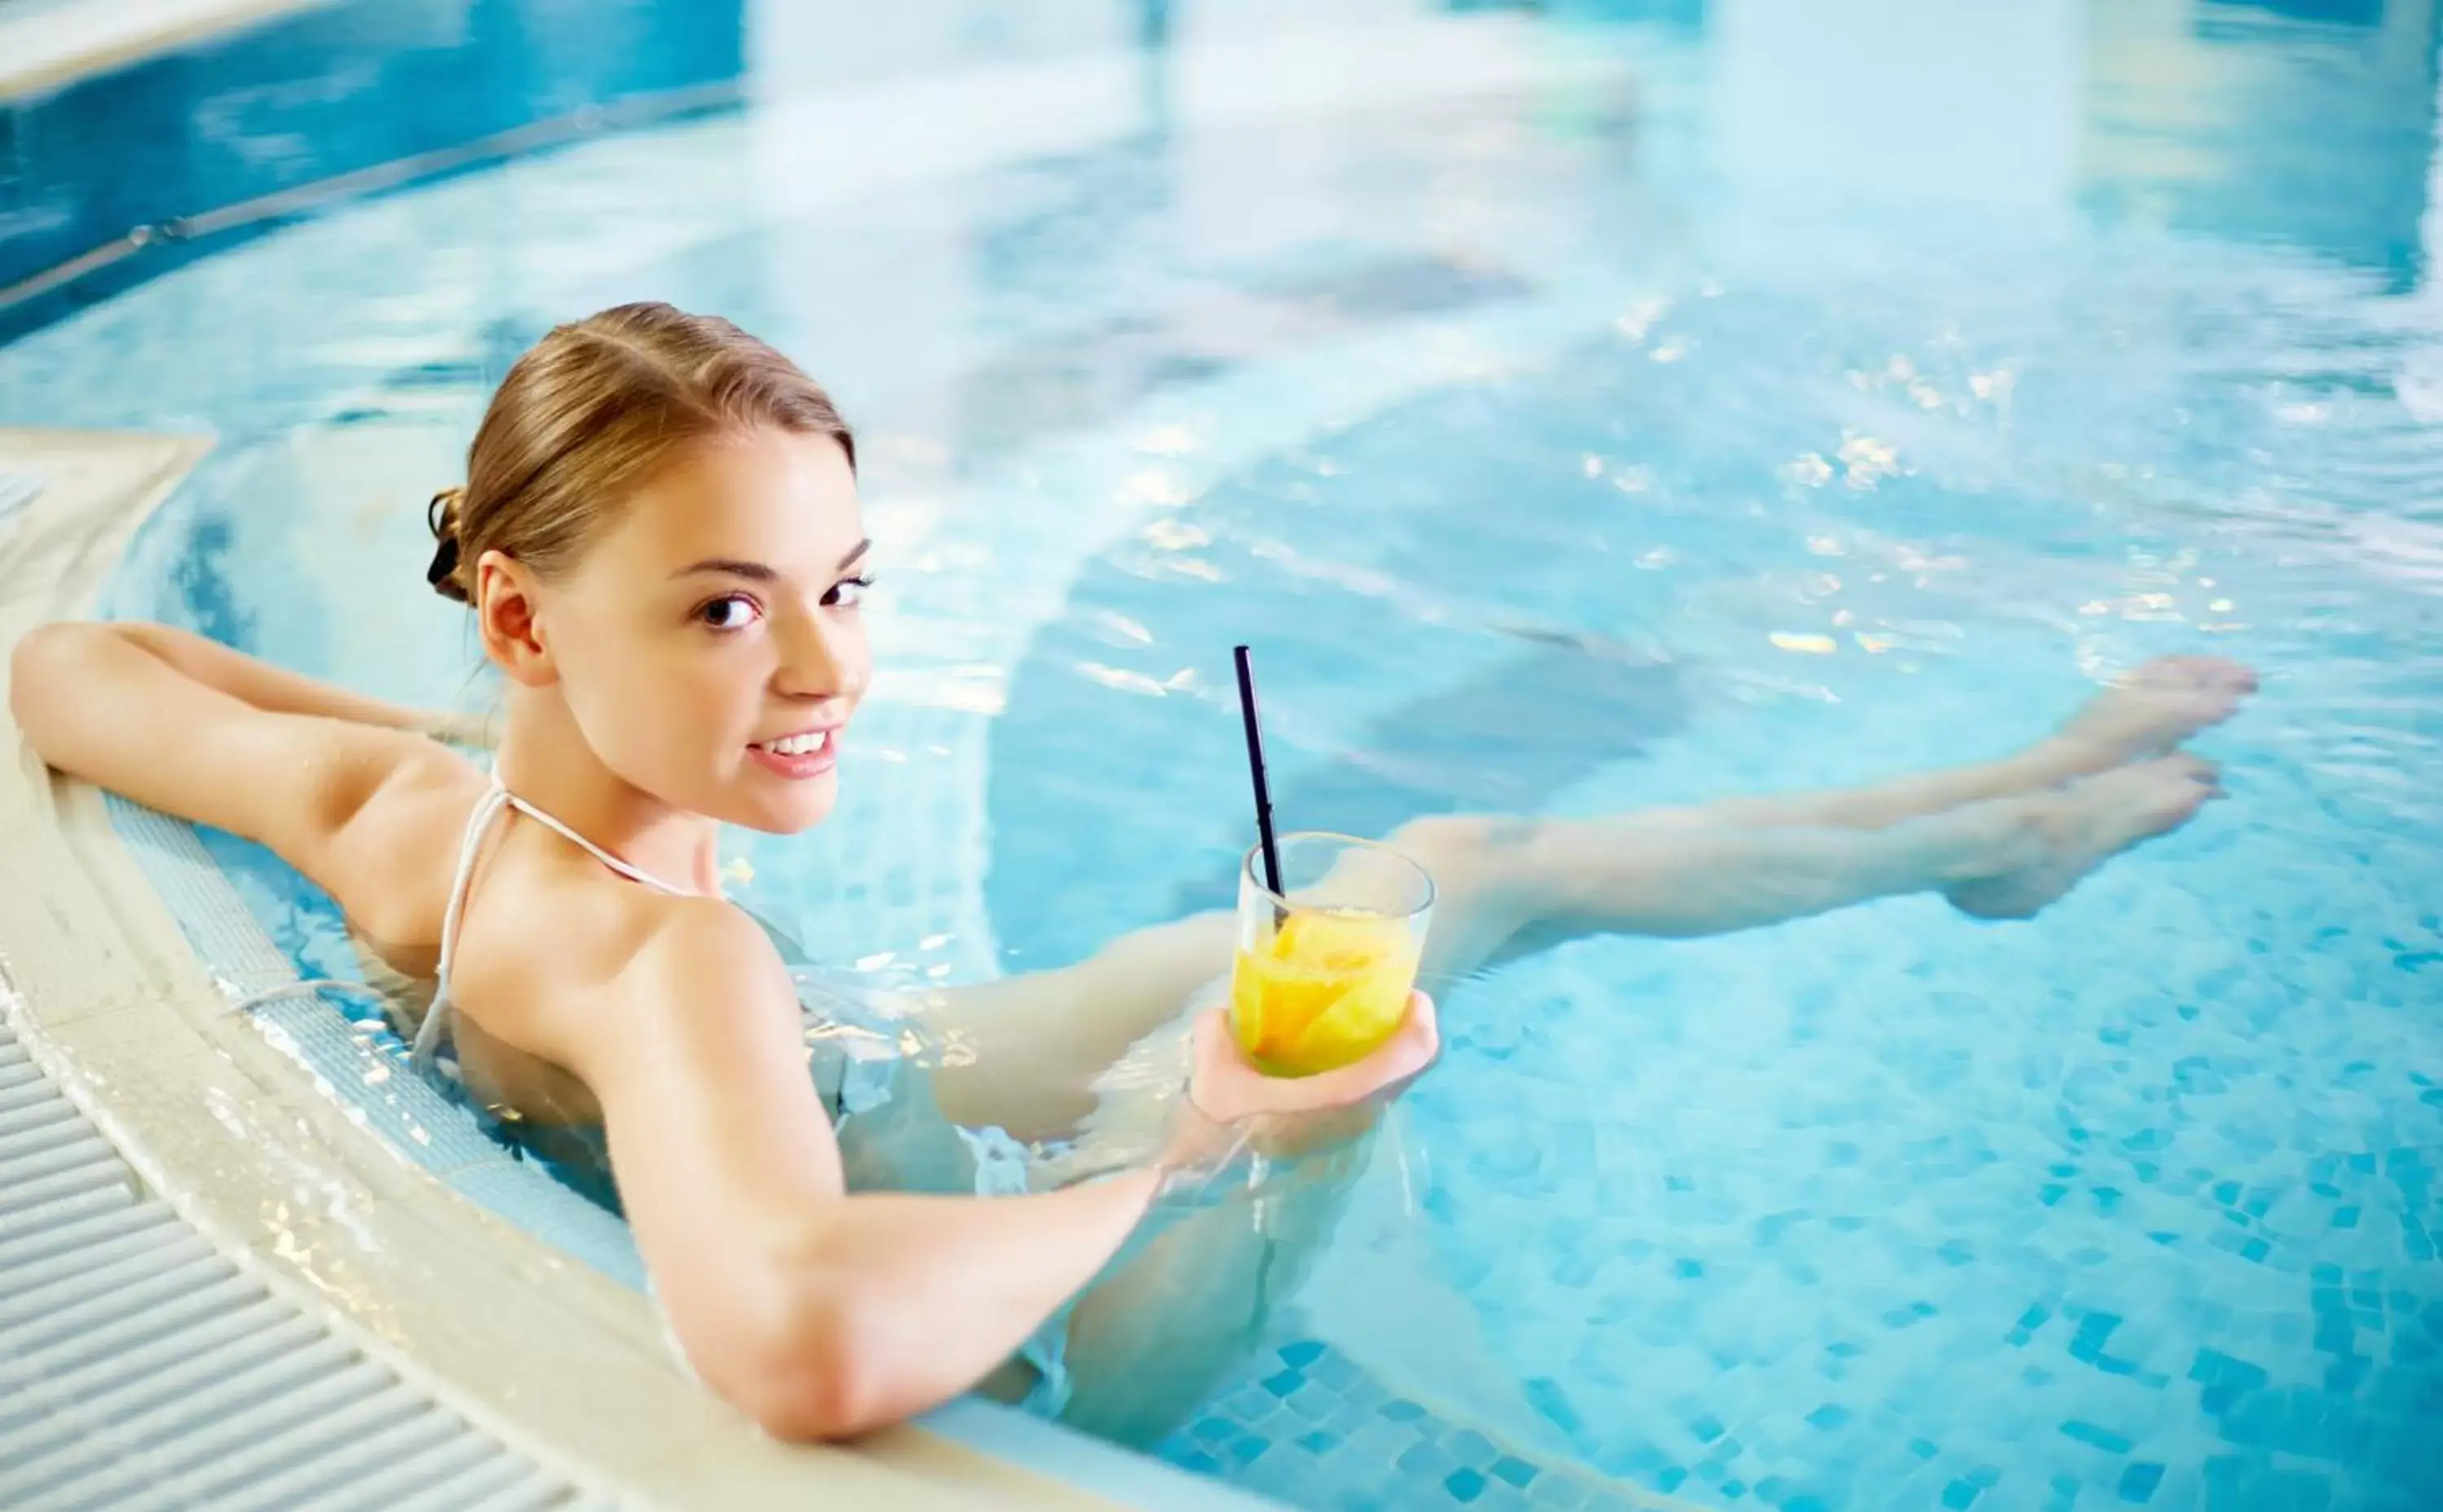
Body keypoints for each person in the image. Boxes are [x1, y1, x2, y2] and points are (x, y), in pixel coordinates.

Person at [8, 302, 2254, 1446]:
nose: (824, 673)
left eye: (845, 588)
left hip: (844, 1072)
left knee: (1391, 875)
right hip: (1050, 1348)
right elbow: (797, 1342)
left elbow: (73, 659)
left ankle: (1999, 821)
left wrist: (444, 724)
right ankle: (2008, 835)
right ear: (523, 610)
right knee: (1408, 924)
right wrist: (1192, 1148)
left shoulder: (414, 817)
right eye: (723, 607)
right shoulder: (665, 962)